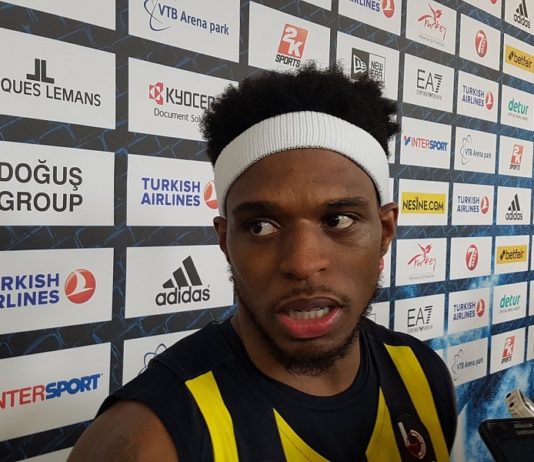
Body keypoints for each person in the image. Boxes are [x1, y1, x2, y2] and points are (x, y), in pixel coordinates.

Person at [68, 64, 457, 461]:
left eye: (338, 220)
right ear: (224, 240)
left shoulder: (422, 374)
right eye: (261, 226)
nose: (303, 263)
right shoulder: (148, 436)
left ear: (385, 231)